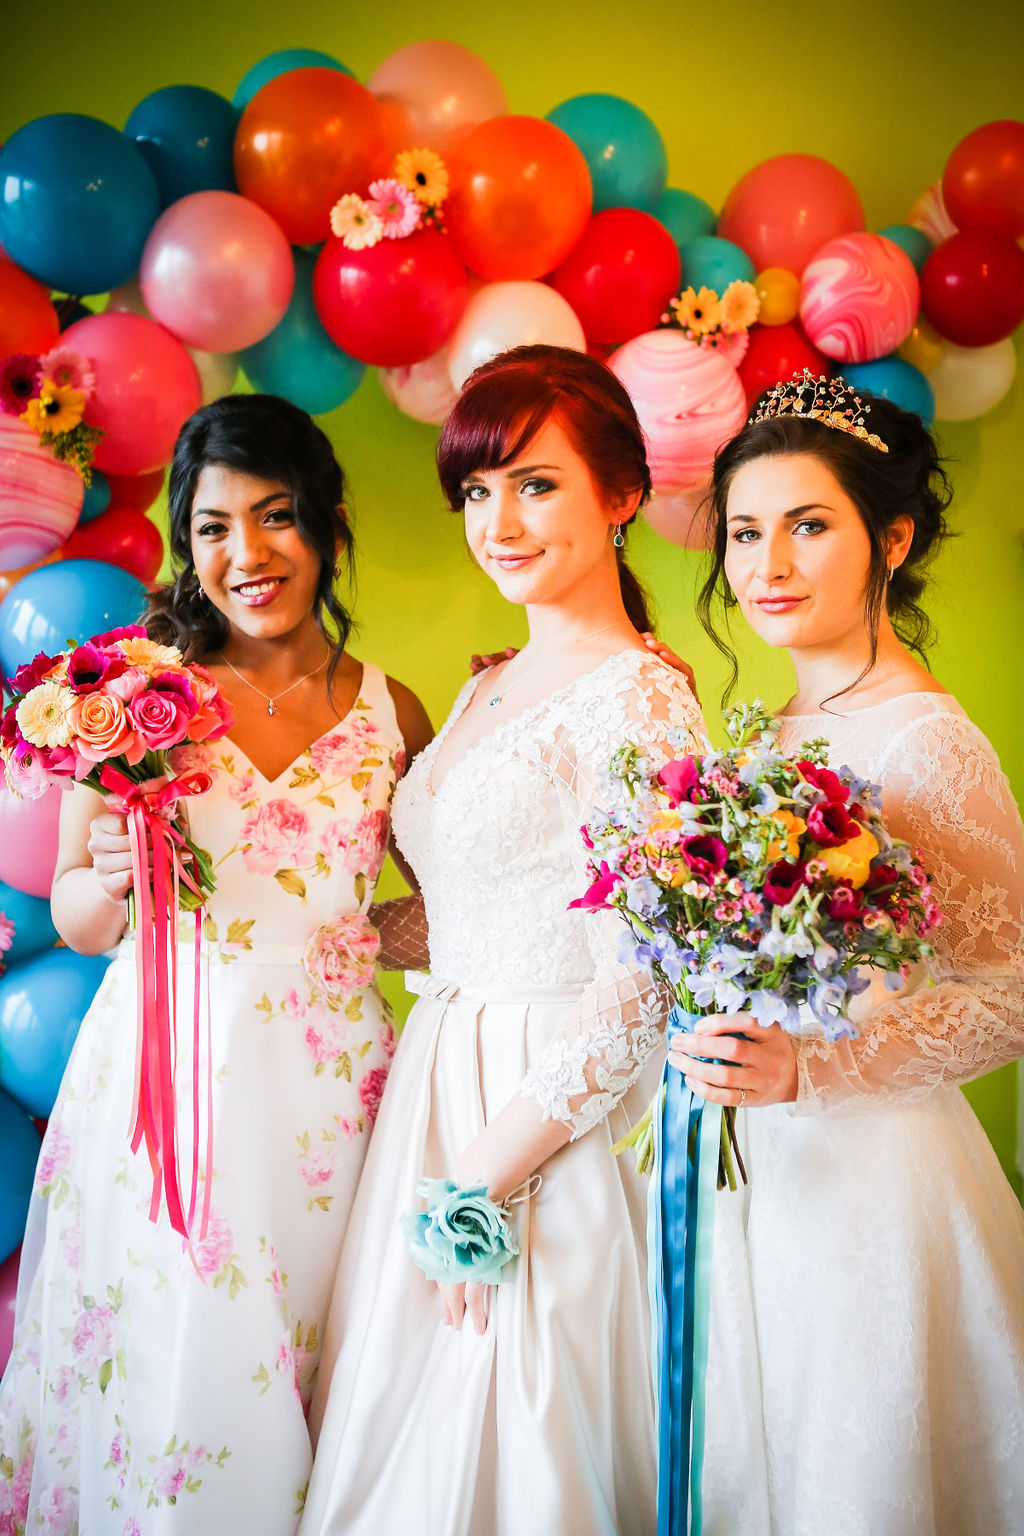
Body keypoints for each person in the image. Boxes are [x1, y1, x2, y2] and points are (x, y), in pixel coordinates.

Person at [0, 394, 432, 1534]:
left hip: (335, 1087)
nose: (247, 555)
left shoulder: (397, 711)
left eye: (276, 516)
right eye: (212, 527)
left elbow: (433, 907)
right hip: (170, 1077)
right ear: (189, 548)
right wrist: (114, 880)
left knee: (323, 1343)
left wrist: (367, 936)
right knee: (179, 1356)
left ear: (328, 525)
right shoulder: (136, 701)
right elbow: (79, 917)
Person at [299, 345, 707, 1536]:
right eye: (478, 492)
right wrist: (294, 931)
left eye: (534, 485)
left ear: (621, 495)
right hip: (443, 1062)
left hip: (547, 1106)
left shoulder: (639, 697)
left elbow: (642, 972)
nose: (499, 522)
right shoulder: (489, 687)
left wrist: (488, 1171)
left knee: (515, 1430)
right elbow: (473, 904)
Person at [668, 373, 1024, 1535]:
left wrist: (813, 1071)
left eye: (808, 525)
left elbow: (1010, 994)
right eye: (744, 531)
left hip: (873, 1180)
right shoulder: (767, 734)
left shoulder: (927, 741)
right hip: (748, 1171)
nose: (767, 562)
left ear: (892, 535)